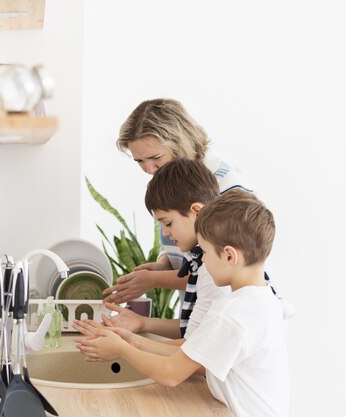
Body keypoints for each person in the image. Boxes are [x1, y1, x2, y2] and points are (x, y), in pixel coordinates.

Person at [76, 190, 291, 417]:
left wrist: (122, 349)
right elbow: (191, 353)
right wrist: (131, 340)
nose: (203, 260)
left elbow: (171, 373)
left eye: (206, 252)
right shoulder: (261, 301)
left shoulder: (231, 313)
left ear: (229, 256)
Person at [103, 98, 254, 306]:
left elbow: (225, 272)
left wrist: (155, 280)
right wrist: (164, 265)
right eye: (139, 161)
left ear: (179, 143)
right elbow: (183, 244)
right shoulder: (173, 183)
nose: (148, 170)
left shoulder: (226, 186)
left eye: (155, 157)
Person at [77, 159, 228, 348]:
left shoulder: (214, 271)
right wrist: (141, 323)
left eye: (168, 223)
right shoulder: (201, 262)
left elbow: (192, 354)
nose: (165, 233)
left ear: (197, 212)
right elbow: (195, 331)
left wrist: (124, 346)